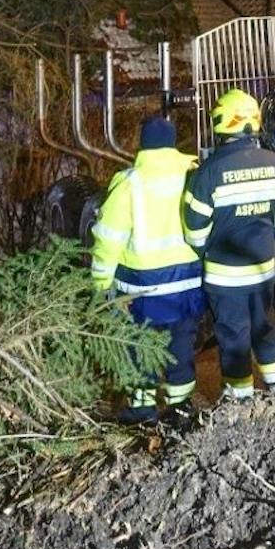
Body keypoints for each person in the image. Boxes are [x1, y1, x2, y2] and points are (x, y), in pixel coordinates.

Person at [182, 89, 275, 400]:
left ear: (220, 124)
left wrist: (206, 250)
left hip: (224, 277)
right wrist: (270, 239)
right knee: (266, 331)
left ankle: (240, 403)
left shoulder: (208, 173)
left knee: (234, 338)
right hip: (262, 270)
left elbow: (194, 231)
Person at [90, 115, 205, 424]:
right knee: (181, 346)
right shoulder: (192, 174)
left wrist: (100, 281)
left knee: (140, 349)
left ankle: (141, 411)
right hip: (187, 284)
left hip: (142, 289)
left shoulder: (129, 182)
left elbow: (109, 236)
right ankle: (181, 410)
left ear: (142, 145)